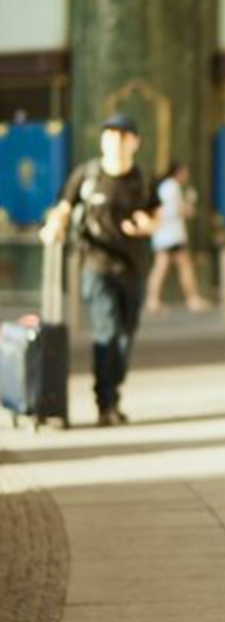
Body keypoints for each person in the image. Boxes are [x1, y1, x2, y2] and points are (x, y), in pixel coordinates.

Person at [40, 114, 160, 426]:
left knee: (125, 336)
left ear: (135, 142)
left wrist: (147, 225)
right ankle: (104, 402)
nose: (117, 141)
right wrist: (54, 226)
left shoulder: (142, 178)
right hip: (96, 266)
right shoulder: (88, 174)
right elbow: (63, 207)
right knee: (107, 331)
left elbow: (155, 215)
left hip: (133, 268)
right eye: (111, 135)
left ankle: (112, 396)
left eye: (123, 136)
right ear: (103, 140)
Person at [145, 162, 211, 313]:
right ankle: (192, 299)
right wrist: (189, 204)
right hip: (172, 235)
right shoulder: (172, 187)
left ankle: (153, 300)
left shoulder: (165, 187)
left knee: (161, 267)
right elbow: (177, 210)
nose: (187, 175)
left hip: (163, 234)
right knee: (183, 266)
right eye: (185, 172)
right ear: (179, 172)